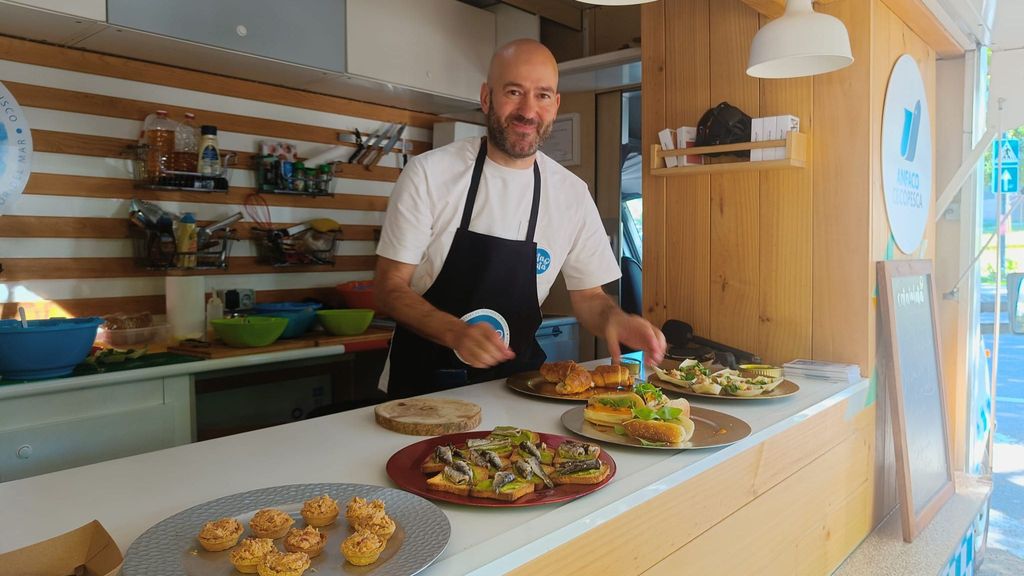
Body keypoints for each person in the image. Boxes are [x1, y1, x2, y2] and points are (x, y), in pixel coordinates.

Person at [374, 38, 666, 398]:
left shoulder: (571, 193)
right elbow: (389, 288)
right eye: (514, 92)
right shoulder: (429, 174)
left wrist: (614, 318)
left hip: (517, 391)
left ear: (556, 105)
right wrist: (454, 332)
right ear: (486, 97)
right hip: (421, 389)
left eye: (542, 95)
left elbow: (590, 296)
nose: (528, 110)